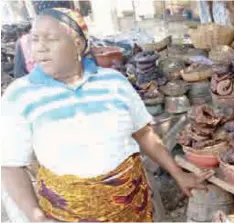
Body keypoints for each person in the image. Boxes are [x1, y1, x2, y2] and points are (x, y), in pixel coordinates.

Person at [1, 8, 213, 222]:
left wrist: (177, 173)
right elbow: (11, 165)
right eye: (35, 39)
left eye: (51, 38)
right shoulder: (20, 95)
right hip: (66, 215)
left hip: (132, 207)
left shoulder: (114, 82)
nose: (40, 47)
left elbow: (144, 134)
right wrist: (37, 217)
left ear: (78, 43)